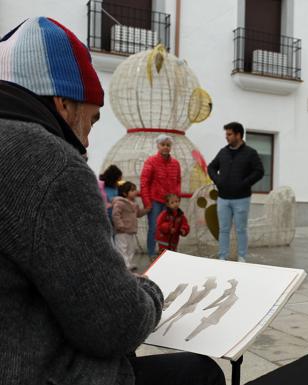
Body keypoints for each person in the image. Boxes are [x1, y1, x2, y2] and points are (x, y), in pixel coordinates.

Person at [0, 17, 224, 385]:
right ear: (63, 104)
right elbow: (113, 324)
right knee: (200, 372)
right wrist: (146, 288)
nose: (87, 143)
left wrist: (98, 221)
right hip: (31, 369)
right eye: (91, 120)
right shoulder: (49, 161)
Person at [208, 122, 264, 262]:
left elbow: (259, 171)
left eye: (229, 134)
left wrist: (244, 183)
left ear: (238, 135)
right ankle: (223, 256)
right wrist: (218, 181)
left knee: (241, 229)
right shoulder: (223, 152)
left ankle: (242, 256)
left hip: (242, 199)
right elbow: (211, 167)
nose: (226, 137)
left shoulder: (250, 153)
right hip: (223, 199)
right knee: (224, 229)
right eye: (226, 134)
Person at [140, 134, 182, 260]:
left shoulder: (175, 163)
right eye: (163, 145)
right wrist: (147, 202)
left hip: (169, 202)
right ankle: (152, 254)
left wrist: (176, 199)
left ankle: (166, 254)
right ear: (158, 146)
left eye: (168, 145)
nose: (165, 147)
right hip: (155, 201)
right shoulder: (151, 161)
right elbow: (144, 182)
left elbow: (178, 181)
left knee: (170, 228)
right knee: (154, 228)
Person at [112, 181, 149, 269]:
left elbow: (138, 214)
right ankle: (124, 265)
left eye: (135, 190)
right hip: (122, 231)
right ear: (125, 193)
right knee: (122, 248)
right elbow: (115, 214)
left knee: (131, 248)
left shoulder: (134, 204)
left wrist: (147, 210)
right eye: (132, 190)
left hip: (131, 231)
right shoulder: (120, 203)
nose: (135, 192)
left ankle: (128, 263)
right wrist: (120, 225)